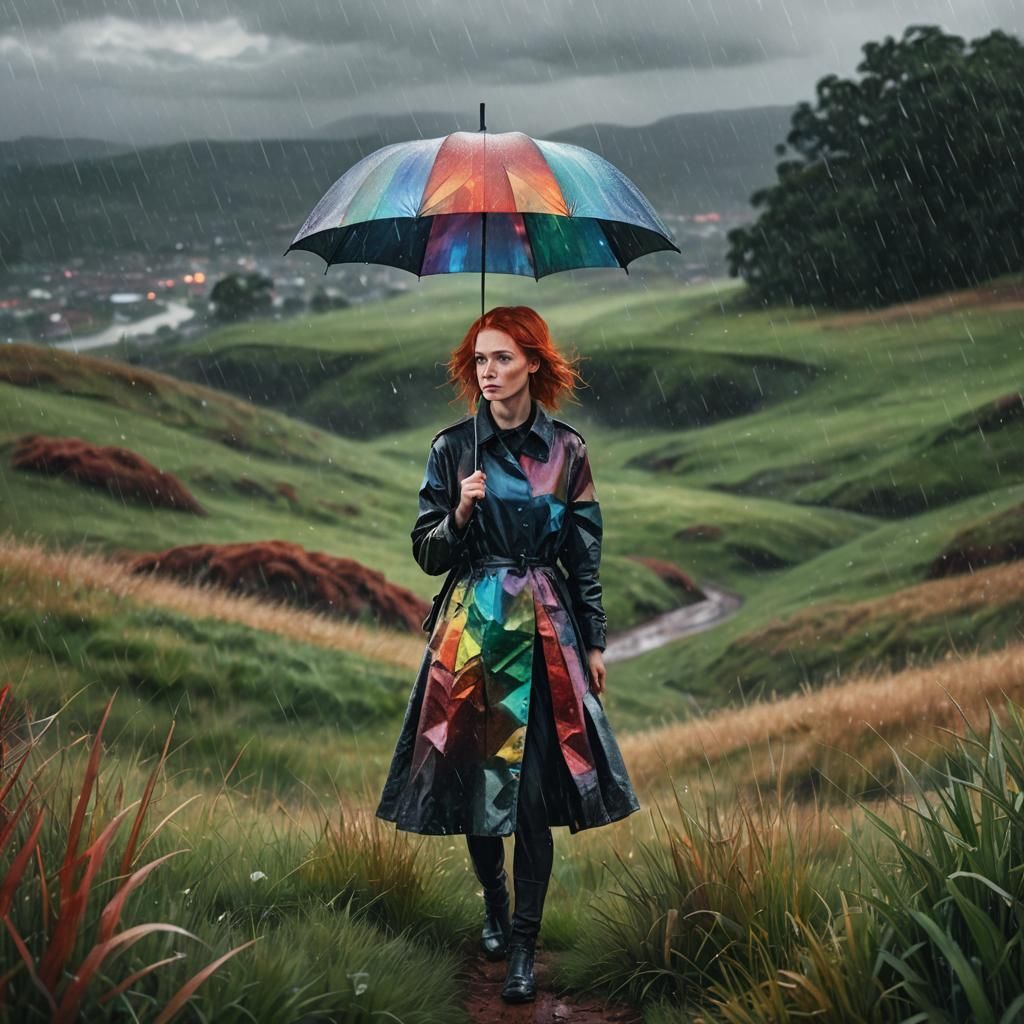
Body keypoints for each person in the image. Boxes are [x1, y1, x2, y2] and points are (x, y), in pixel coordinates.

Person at [375, 305, 640, 1003]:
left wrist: (596, 640)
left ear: (533, 363)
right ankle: (494, 906)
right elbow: (427, 553)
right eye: (479, 361)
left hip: (548, 630)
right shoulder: (452, 449)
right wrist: (460, 512)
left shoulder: (568, 450)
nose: (488, 373)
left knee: (530, 793)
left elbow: (584, 556)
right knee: (478, 785)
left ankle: (524, 945)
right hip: (472, 632)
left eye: (501, 359)